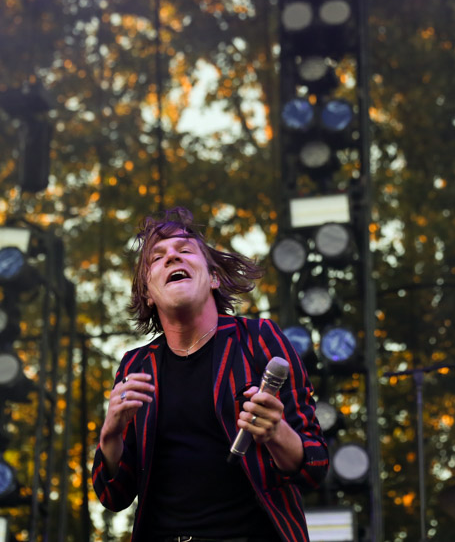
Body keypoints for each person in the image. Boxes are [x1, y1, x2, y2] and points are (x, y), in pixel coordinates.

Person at [91, 207, 329, 542]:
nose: (172, 258)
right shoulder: (135, 366)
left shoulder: (260, 338)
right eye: (157, 258)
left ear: (213, 277)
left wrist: (276, 432)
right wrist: (110, 437)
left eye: (185, 250)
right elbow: (113, 497)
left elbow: (314, 466)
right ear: (147, 292)